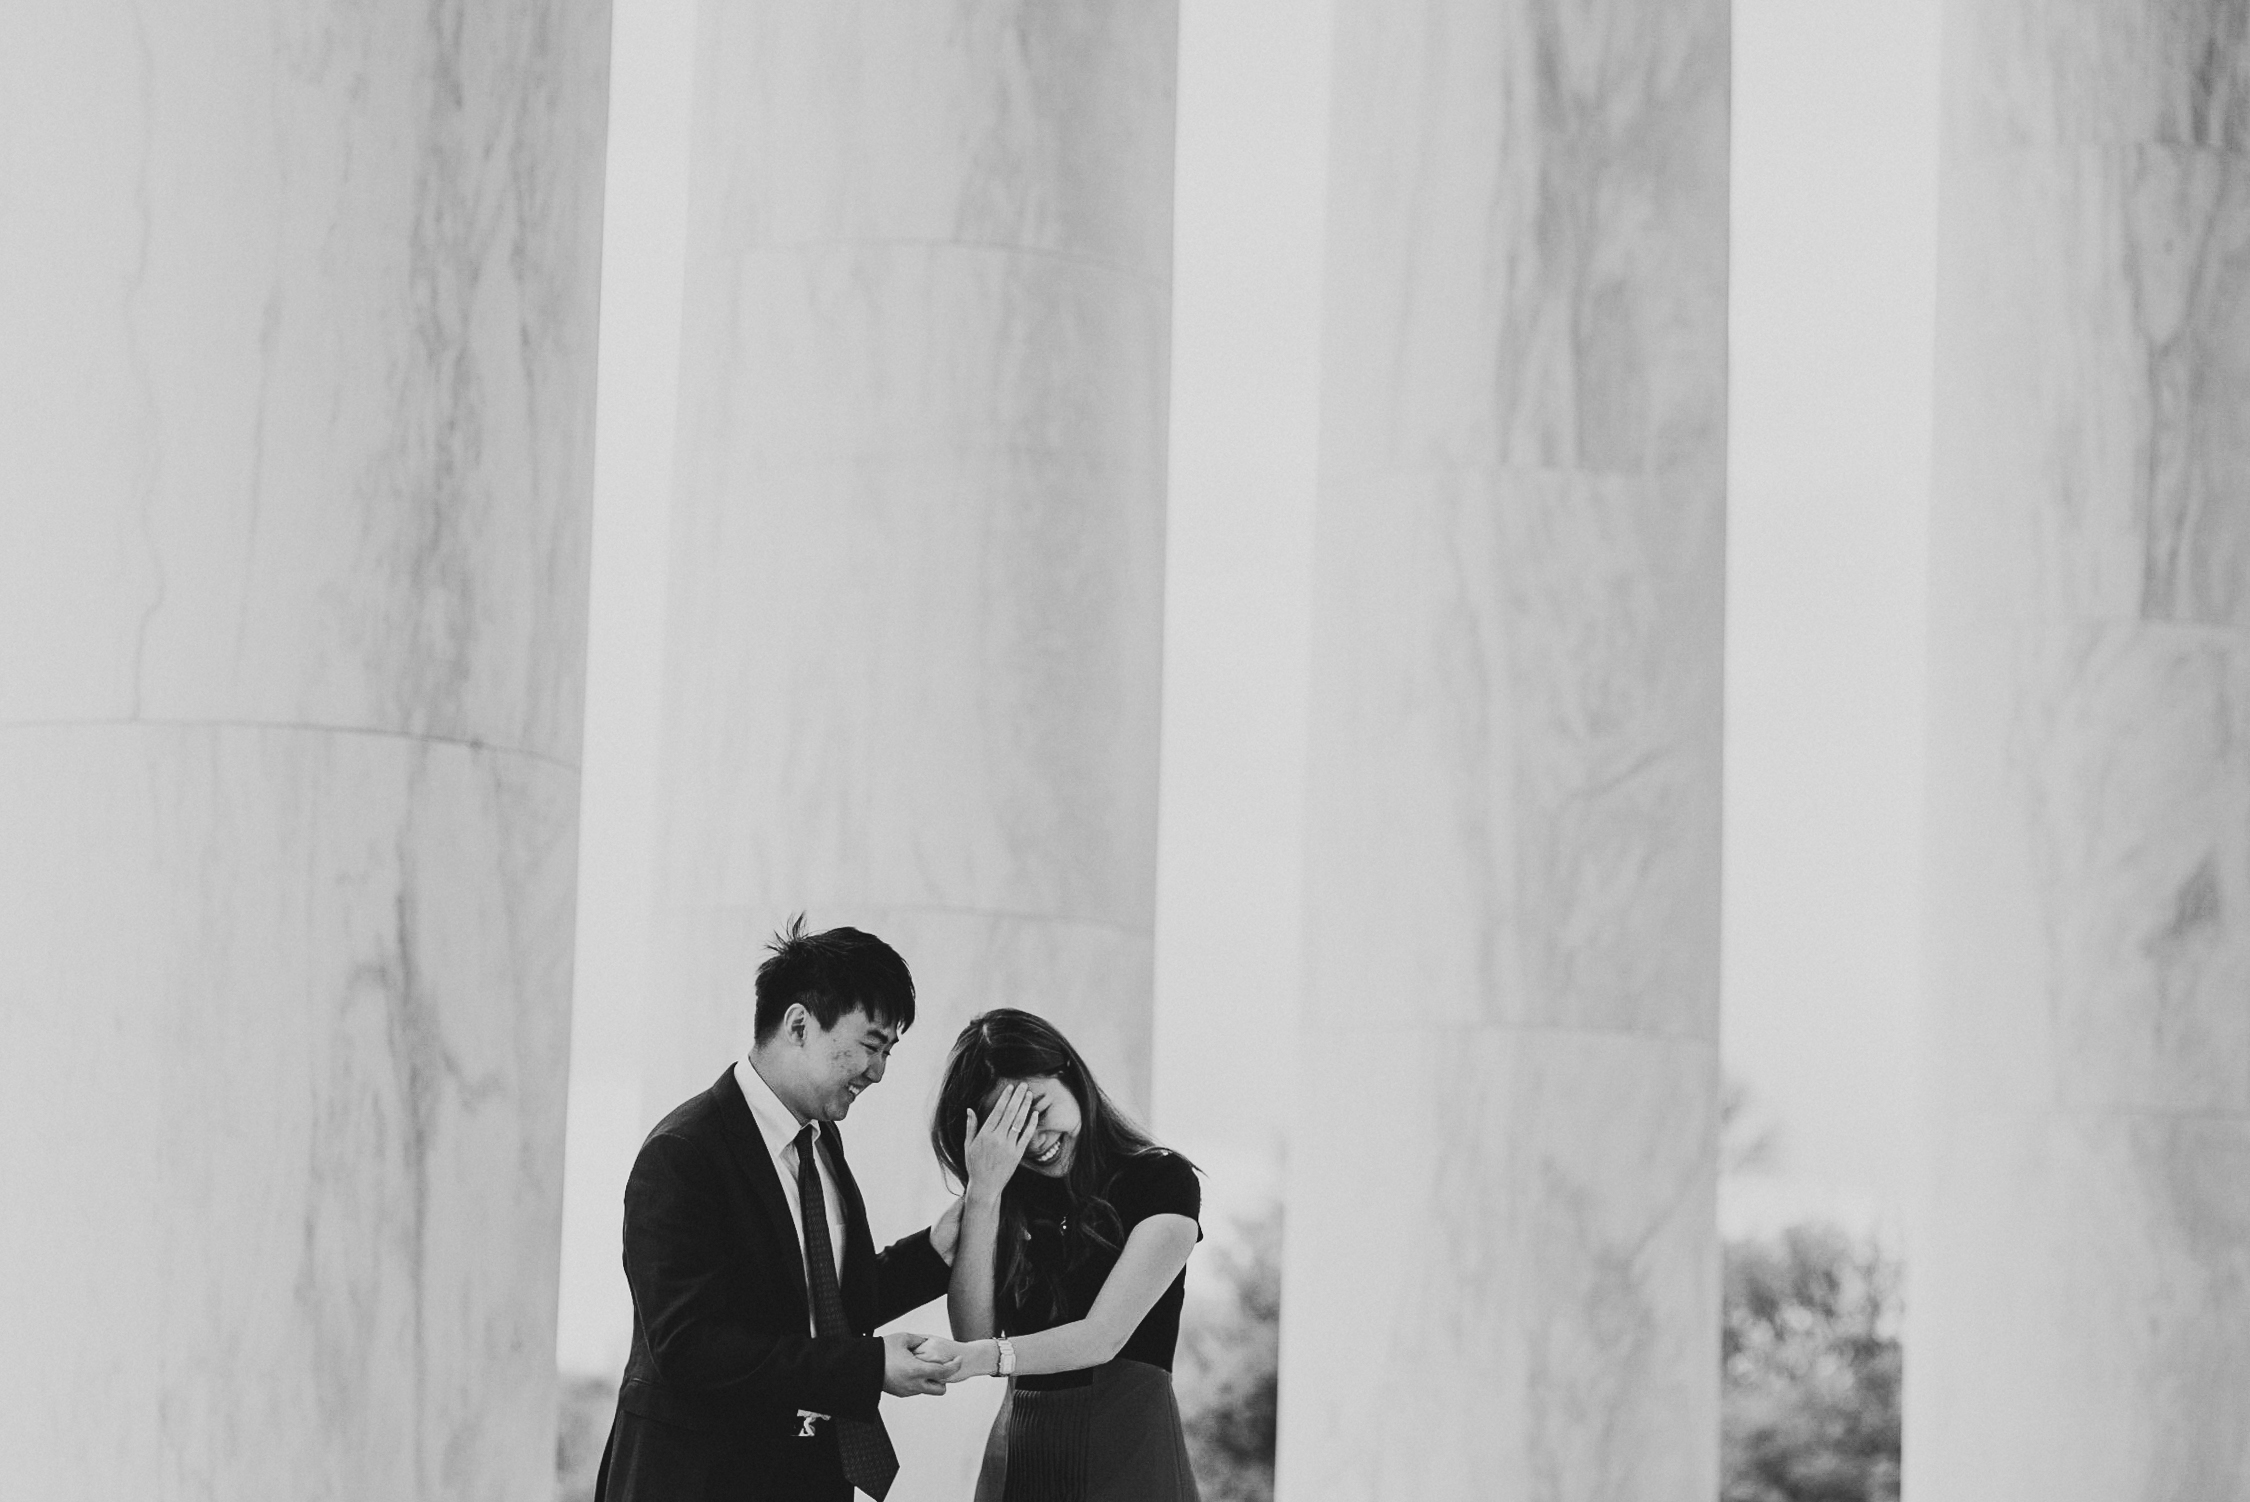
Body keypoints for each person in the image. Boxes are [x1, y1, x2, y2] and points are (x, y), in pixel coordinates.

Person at [594, 919, 962, 1502]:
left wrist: (936, 1251)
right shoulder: (683, 1152)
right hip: (698, 1481)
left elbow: (825, 1304)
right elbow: (689, 1348)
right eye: (871, 1044)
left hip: (806, 1476)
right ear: (798, 1025)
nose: (879, 1072)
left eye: (889, 1051)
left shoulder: (820, 1144)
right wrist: (868, 1369)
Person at [915, 1009, 1204, 1502]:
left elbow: (1101, 1337)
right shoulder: (1005, 1203)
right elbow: (973, 1330)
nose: (1036, 1141)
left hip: (1129, 1454)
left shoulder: (1163, 1182)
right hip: (1022, 1453)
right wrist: (984, 1193)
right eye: (1011, 1130)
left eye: (1040, 1112)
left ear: (1068, 1074)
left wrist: (983, 1358)